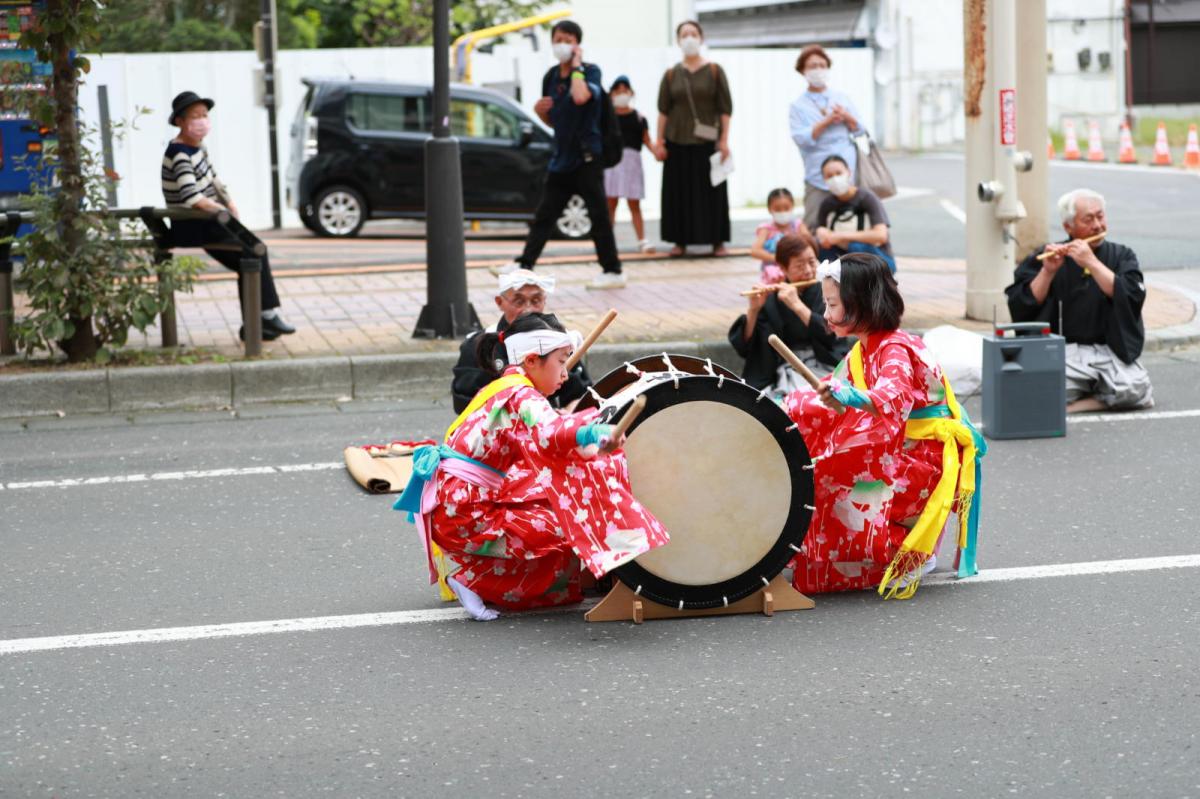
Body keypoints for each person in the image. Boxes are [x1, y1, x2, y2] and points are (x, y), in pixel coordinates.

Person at [397, 312, 671, 620]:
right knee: (569, 523)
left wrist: (585, 433)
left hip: (457, 497)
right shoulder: (520, 394)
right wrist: (592, 432)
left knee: (554, 494)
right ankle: (472, 581)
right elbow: (551, 434)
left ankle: (580, 572)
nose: (567, 374)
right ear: (531, 360)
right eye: (561, 361)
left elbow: (543, 437)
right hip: (464, 512)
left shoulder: (509, 385)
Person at [781, 253, 985, 599]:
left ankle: (903, 553)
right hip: (906, 445)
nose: (827, 316)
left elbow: (892, 396)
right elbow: (840, 388)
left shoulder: (894, 348)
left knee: (835, 470)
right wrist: (790, 408)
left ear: (859, 303)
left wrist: (847, 396)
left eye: (832, 305)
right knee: (807, 422)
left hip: (924, 456)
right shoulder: (866, 348)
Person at [493, 20, 625, 290]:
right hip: (561, 159)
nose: (562, 44)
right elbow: (555, 119)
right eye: (558, 39)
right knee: (545, 214)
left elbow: (580, 98)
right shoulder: (551, 76)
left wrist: (576, 67)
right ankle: (524, 264)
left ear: (577, 44)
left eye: (568, 39)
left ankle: (613, 271)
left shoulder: (590, 72)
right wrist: (541, 111)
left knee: (598, 215)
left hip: (587, 158)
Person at [161, 90, 295, 341]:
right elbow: (192, 198)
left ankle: (259, 322)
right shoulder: (179, 154)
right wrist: (221, 210)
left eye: (204, 115)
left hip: (208, 221)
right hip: (194, 224)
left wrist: (229, 202)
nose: (202, 120)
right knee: (255, 251)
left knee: (253, 255)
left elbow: (213, 180)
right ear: (180, 121)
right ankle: (265, 318)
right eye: (195, 116)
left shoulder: (198, 148)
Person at [1005, 188, 1153, 412]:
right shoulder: (1046, 255)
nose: (1097, 225)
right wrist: (1048, 272)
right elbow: (1021, 302)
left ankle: (1083, 403)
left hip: (1108, 349)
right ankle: (1097, 394)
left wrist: (1091, 263)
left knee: (1137, 389)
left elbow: (1132, 294)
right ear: (1068, 227)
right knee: (1034, 393)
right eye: (1088, 219)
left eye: (1100, 216)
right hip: (1063, 351)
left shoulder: (1122, 255)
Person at [451, 269, 592, 414]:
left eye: (536, 301)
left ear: (545, 301)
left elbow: (581, 396)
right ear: (499, 302)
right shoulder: (477, 345)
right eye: (519, 301)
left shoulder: (558, 342)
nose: (528, 309)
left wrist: (566, 415)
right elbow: (465, 405)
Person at [729, 233, 848, 394]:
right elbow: (745, 348)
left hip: (825, 365)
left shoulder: (829, 291)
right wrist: (754, 310)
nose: (807, 270)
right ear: (783, 268)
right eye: (799, 266)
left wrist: (797, 306)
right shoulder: (772, 299)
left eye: (812, 262)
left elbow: (833, 332)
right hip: (784, 368)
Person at [654, 20, 733, 257]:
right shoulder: (670, 75)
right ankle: (679, 241)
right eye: (684, 34)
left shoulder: (715, 71)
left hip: (708, 142)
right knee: (677, 193)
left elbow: (725, 109)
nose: (689, 38)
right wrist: (659, 142)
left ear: (701, 38)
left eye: (693, 33)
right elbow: (663, 111)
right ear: (678, 41)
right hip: (676, 142)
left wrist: (724, 140)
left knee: (713, 192)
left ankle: (717, 240)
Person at [788, 45, 864, 230]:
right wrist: (827, 121)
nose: (818, 70)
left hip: (847, 169)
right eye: (813, 66)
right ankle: (815, 257)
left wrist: (846, 117)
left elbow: (860, 129)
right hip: (817, 172)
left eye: (823, 65)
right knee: (814, 221)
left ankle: (850, 258)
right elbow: (801, 138)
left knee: (851, 221)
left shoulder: (842, 98)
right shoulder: (798, 106)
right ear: (803, 70)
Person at [813, 155, 895, 272]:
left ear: (849, 172)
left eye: (838, 173)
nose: (835, 179)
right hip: (842, 257)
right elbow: (822, 232)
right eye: (829, 176)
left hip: (878, 259)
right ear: (824, 179)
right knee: (819, 250)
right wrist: (821, 234)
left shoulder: (867, 198)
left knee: (856, 246)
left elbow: (881, 235)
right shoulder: (826, 204)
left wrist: (839, 236)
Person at [604, 76, 656, 254]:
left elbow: (647, 140)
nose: (621, 94)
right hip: (612, 163)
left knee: (634, 204)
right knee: (611, 204)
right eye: (617, 91)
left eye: (624, 90)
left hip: (632, 164)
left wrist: (658, 152)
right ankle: (608, 243)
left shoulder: (639, 118)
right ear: (611, 94)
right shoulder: (606, 117)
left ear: (631, 93)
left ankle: (642, 240)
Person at [749, 187, 811, 284]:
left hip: (797, 270)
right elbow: (755, 251)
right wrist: (778, 258)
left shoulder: (798, 225)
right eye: (777, 209)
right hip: (772, 274)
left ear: (792, 206)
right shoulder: (766, 229)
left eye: (786, 208)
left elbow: (809, 243)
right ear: (769, 209)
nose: (782, 212)